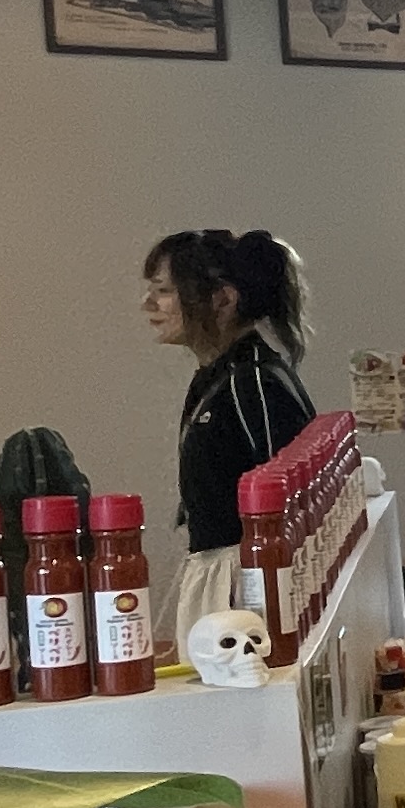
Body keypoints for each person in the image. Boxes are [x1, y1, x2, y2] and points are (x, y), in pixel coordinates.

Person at [141, 228, 317, 638]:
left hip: (245, 583)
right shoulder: (219, 375)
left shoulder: (252, 381)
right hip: (221, 573)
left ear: (223, 298)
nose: (148, 303)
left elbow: (288, 510)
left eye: (164, 290)